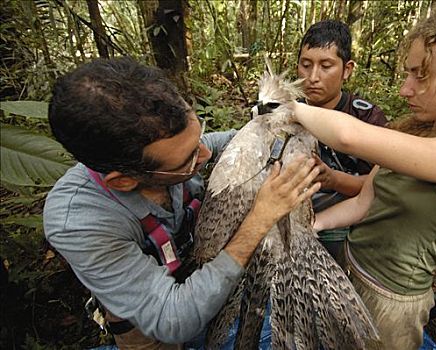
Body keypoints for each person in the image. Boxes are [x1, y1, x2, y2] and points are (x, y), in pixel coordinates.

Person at [291, 2, 436, 349]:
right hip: (351, 266)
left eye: (422, 75)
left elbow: (349, 136)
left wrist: (285, 105)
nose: (405, 89)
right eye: (408, 74)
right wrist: (314, 226)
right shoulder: (428, 130)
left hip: (389, 303)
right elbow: (366, 200)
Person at [43, 57, 321, 348]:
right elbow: (172, 318)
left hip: (207, 275)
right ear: (124, 181)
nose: (204, 154)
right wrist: (258, 220)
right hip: (152, 326)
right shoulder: (77, 221)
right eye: (188, 160)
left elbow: (227, 143)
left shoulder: (174, 152)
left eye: (199, 138)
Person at [296, 19, 387, 266]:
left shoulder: (367, 118)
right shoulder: (286, 112)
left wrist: (333, 179)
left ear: (347, 69)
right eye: (305, 65)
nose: (313, 77)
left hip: (349, 231)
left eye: (326, 66)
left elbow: (380, 188)